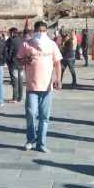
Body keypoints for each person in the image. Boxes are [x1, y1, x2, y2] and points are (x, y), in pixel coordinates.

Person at [15, 21, 62, 152]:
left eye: (43, 30)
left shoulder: (52, 45)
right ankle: (31, 139)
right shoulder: (26, 44)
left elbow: (57, 63)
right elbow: (18, 59)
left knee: (44, 117)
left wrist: (58, 79)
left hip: (47, 87)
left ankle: (41, 143)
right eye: (39, 30)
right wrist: (25, 60)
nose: (41, 33)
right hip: (32, 87)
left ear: (46, 31)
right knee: (30, 114)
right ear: (34, 31)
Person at [5, 27, 24, 102]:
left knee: (15, 81)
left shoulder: (12, 41)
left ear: (12, 33)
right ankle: (20, 98)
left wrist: (8, 60)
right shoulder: (21, 40)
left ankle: (15, 98)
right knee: (20, 81)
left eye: (10, 33)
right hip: (21, 63)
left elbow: (10, 52)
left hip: (14, 63)